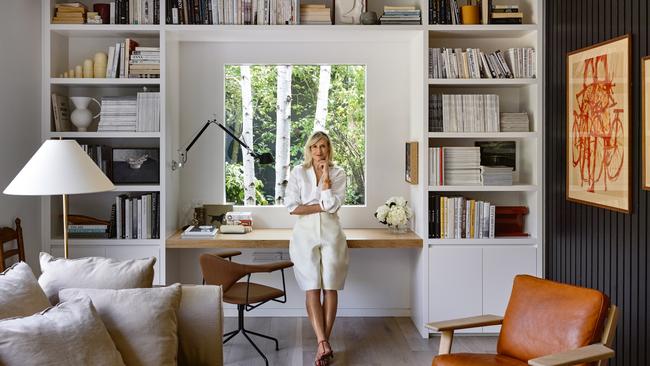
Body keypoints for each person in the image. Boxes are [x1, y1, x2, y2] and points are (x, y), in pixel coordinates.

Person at [284, 131, 348, 366]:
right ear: (309, 150)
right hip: (304, 235)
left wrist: (326, 184)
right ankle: (323, 343)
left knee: (330, 287)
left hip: (332, 234)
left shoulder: (339, 173)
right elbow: (292, 207)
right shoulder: (298, 173)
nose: (319, 151)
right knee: (312, 287)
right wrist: (321, 206)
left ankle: (323, 344)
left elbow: (332, 206)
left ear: (329, 149)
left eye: (323, 146)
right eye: (314, 147)